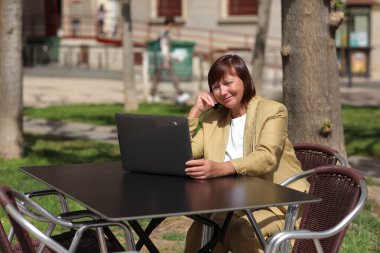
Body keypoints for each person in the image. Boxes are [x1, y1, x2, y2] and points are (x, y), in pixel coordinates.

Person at [184, 54, 309, 253]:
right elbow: (186, 152)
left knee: (240, 230)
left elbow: (266, 157)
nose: (223, 91)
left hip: (275, 203)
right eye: (216, 87)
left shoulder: (273, 111)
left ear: (245, 80)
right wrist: (195, 113)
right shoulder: (214, 118)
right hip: (234, 202)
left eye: (228, 83)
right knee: (202, 226)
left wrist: (221, 168)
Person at [148, 16, 190, 104]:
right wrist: (166, 60)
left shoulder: (163, 33)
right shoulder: (165, 33)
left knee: (157, 77)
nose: (172, 27)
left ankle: (152, 95)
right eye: (172, 25)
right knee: (172, 76)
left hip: (161, 57)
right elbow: (164, 47)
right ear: (169, 24)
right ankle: (180, 94)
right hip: (164, 58)